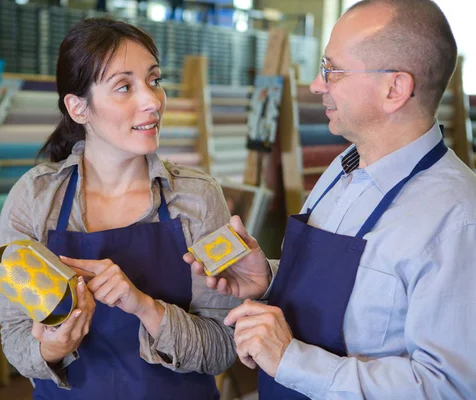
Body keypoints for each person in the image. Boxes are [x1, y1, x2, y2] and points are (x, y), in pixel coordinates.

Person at [184, 0, 476, 398]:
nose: (317, 85)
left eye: (332, 71)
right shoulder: (343, 167)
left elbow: (449, 388)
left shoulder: (457, 220)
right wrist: (271, 279)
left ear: (395, 88)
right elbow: (352, 298)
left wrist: (291, 358)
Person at [0, 17, 240, 399]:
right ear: (79, 108)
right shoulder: (36, 198)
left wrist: (145, 307)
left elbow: (223, 347)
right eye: (124, 87)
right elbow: (14, 338)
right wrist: (53, 348)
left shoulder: (197, 198)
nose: (151, 101)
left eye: (154, 80)